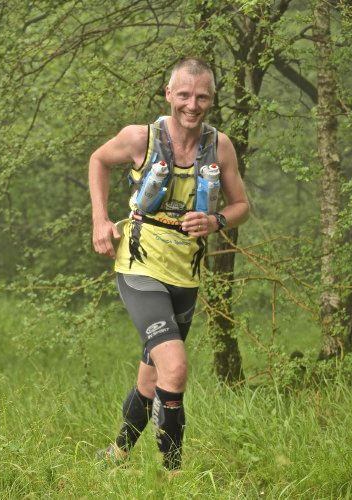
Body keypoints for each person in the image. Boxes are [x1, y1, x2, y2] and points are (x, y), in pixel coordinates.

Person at [89, 58, 249, 471]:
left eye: (201, 96)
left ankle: (115, 456)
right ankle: (173, 477)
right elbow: (98, 161)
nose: (192, 105)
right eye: (184, 95)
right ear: (168, 94)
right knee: (175, 369)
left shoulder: (221, 146)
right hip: (140, 267)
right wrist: (100, 221)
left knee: (153, 378)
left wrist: (215, 221)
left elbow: (241, 206)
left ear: (212, 99)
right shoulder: (140, 138)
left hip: (186, 274)